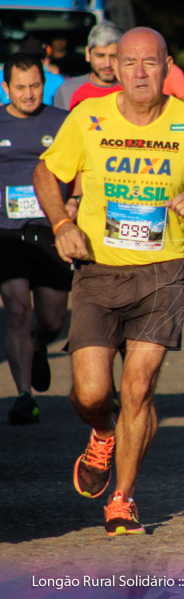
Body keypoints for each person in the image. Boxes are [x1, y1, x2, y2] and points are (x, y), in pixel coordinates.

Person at [33, 27, 184, 536]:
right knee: (89, 393)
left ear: (167, 67)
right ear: (115, 67)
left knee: (139, 388)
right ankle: (101, 433)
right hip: (98, 272)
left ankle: (123, 498)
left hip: (161, 272)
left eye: (151, 62)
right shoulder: (89, 117)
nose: (140, 72)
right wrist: (62, 224)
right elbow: (46, 171)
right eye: (130, 62)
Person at [0, 53, 72, 423]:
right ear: (6, 86)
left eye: (35, 86)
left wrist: (72, 202)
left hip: (50, 231)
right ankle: (24, 396)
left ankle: (39, 345)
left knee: (53, 319)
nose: (29, 94)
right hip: (6, 232)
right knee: (15, 309)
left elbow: (81, 170)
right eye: (20, 87)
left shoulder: (62, 122)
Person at [52, 22, 123, 111]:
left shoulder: (133, 90)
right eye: (100, 56)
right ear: (88, 54)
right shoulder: (68, 90)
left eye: (114, 56)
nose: (107, 64)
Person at [1, 38, 65, 107]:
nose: (29, 95)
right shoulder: (3, 76)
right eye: (20, 87)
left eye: (40, 57)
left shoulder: (57, 80)